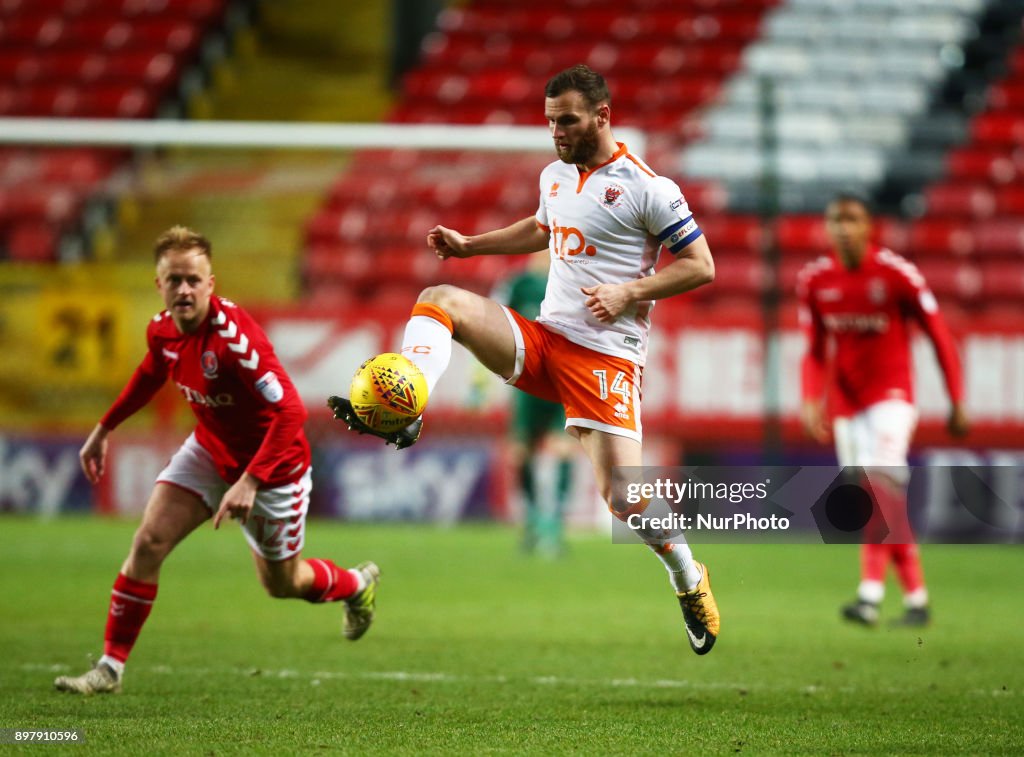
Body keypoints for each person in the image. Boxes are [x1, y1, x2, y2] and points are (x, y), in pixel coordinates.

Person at [329, 65, 720, 654]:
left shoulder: (649, 188)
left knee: (623, 498)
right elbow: (543, 228)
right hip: (543, 341)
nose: (557, 132)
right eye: (550, 122)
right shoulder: (555, 175)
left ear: (602, 116)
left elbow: (701, 265)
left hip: (605, 360)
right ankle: (409, 403)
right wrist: (470, 244)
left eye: (567, 121)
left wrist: (629, 292)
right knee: (438, 300)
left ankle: (688, 577)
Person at [55, 226, 380, 695]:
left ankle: (353, 584)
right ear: (159, 284)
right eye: (174, 280)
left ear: (211, 284)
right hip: (210, 451)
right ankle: (110, 668)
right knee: (148, 542)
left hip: (275, 471)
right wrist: (105, 427)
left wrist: (251, 481)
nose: (183, 289)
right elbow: (152, 371)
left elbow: (290, 411)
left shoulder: (234, 341)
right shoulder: (161, 329)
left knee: (282, 583)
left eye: (192, 280)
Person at [797, 193, 969, 627]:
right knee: (874, 501)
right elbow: (815, 350)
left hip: (891, 397)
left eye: (851, 219)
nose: (843, 228)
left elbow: (938, 334)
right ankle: (916, 600)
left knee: (879, 486)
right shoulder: (816, 281)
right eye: (836, 219)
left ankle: (870, 595)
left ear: (869, 226)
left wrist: (956, 399)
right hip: (847, 405)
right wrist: (810, 397)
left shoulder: (896, 274)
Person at [493, 253, 575, 557]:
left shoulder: (571, 280)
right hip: (526, 384)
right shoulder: (516, 284)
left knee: (561, 449)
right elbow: (493, 325)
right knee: (519, 453)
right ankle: (530, 519)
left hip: (562, 382)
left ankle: (554, 526)